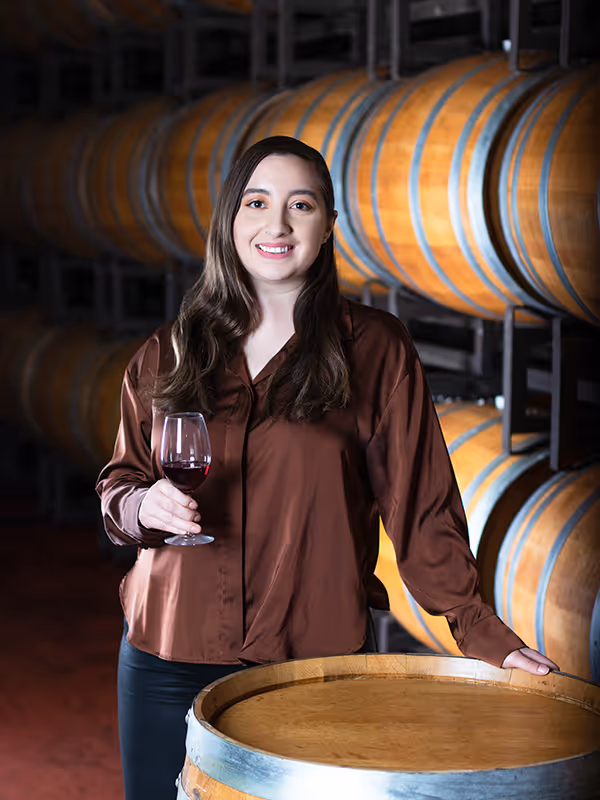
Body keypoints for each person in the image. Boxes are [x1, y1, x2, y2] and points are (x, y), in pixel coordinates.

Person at [96, 135, 558, 800]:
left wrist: (481, 632)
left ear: (327, 226)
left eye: (300, 205)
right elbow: (121, 483)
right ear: (230, 221)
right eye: (256, 202)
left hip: (314, 665)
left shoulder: (374, 351)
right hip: (168, 653)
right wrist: (145, 508)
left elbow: (422, 506)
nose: (276, 224)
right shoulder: (169, 351)